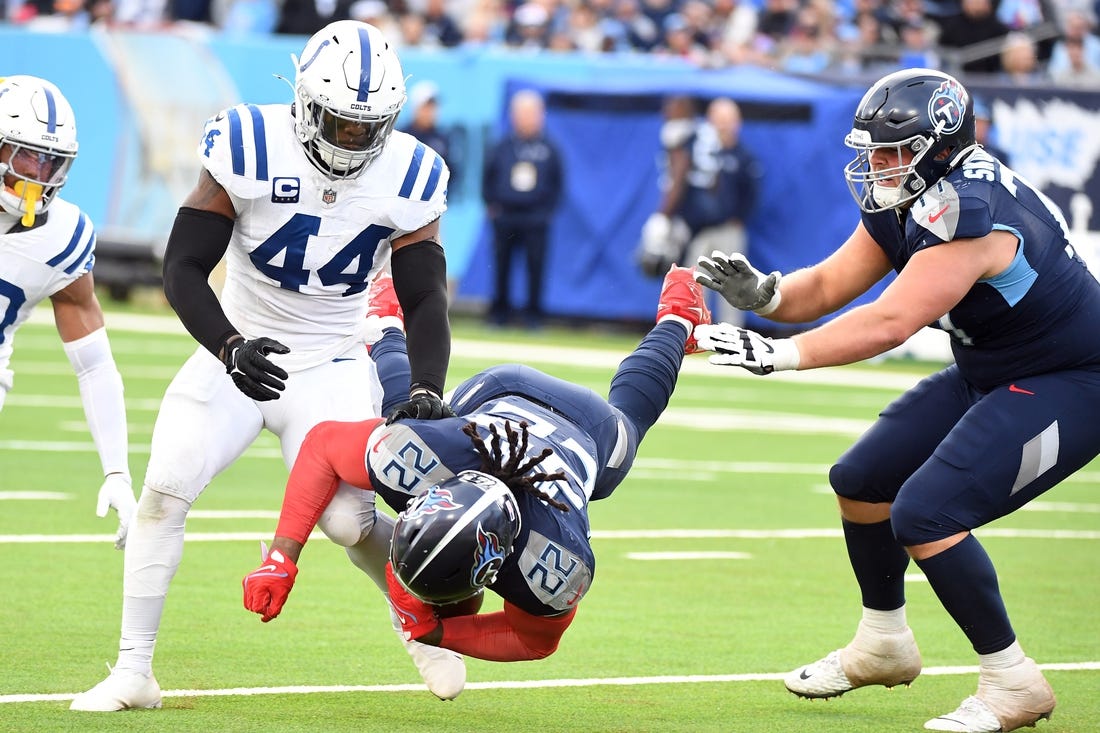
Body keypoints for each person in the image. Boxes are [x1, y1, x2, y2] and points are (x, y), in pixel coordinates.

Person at [692, 68, 1100, 732]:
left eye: (892, 150)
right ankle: (884, 642)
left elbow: (891, 321)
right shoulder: (915, 193)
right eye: (873, 150)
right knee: (861, 480)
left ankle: (1012, 679)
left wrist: (781, 353)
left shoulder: (968, 208)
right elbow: (828, 283)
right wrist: (765, 297)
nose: (878, 164)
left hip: (1072, 379)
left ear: (940, 145)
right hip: (993, 368)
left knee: (927, 511)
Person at [70, 20, 460, 711]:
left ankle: (419, 622)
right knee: (163, 491)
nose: (352, 141)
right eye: (339, 123)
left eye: (366, 127)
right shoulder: (251, 142)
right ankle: (134, 670)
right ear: (306, 103)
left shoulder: (410, 172)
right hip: (240, 346)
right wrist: (227, 345)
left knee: (348, 522)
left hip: (334, 360)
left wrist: (427, 385)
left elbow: (426, 296)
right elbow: (184, 265)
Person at [240, 265, 712, 666]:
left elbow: (535, 640)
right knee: (409, 417)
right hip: (496, 399)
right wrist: (283, 556)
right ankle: (384, 322)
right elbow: (323, 445)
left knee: (621, 440)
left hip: (584, 427)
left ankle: (678, 317)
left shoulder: (555, 561)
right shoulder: (430, 464)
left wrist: (438, 634)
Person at [0, 75, 136, 550]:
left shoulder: (63, 235)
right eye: (26, 155)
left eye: (51, 160)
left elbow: (94, 364)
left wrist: (117, 471)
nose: (39, 173)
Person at [639, 97, 762, 326]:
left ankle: (731, 333)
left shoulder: (742, 156)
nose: (723, 126)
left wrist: (739, 218)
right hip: (698, 229)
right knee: (693, 281)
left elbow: (752, 192)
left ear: (737, 123)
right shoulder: (697, 146)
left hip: (727, 229)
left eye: (728, 120)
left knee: (733, 286)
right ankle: (690, 329)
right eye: (719, 120)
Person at [481, 89, 564, 328]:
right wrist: (493, 205)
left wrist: (547, 212)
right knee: (501, 266)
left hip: (535, 217)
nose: (527, 118)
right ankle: (499, 313)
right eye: (522, 113)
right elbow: (488, 178)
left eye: (531, 113)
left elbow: (558, 183)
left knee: (535, 267)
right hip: (506, 215)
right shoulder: (503, 146)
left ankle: (534, 315)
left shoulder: (549, 149)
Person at [973, 97, 1010, 167]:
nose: (980, 127)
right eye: (977, 122)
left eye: (984, 123)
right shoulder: (959, 154)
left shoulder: (999, 155)